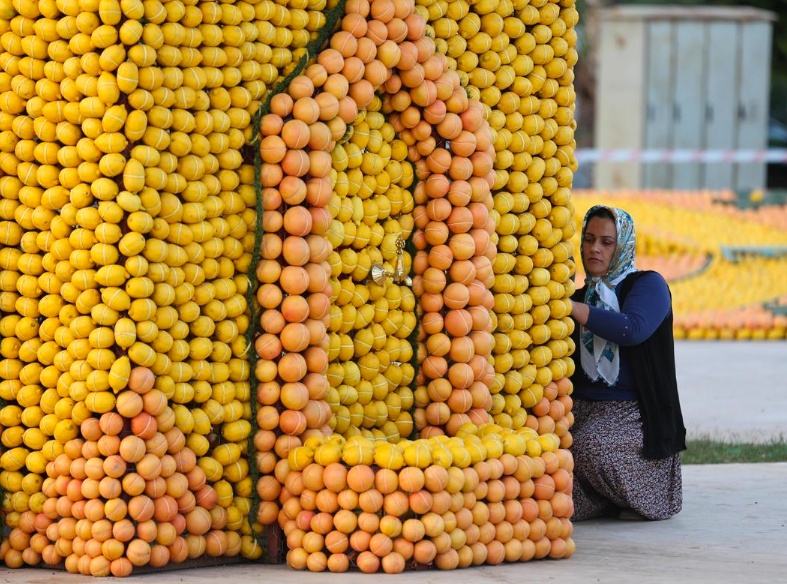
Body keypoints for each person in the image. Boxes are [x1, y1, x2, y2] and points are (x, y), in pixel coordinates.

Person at [568, 205, 686, 521]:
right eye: (589, 239)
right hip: (581, 408)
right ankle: (603, 500)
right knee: (548, 465)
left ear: (624, 245)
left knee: (591, 446)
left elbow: (631, 328)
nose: (594, 248)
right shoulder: (580, 296)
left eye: (607, 242)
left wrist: (573, 309)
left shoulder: (648, 285)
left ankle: (652, 498)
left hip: (631, 412)